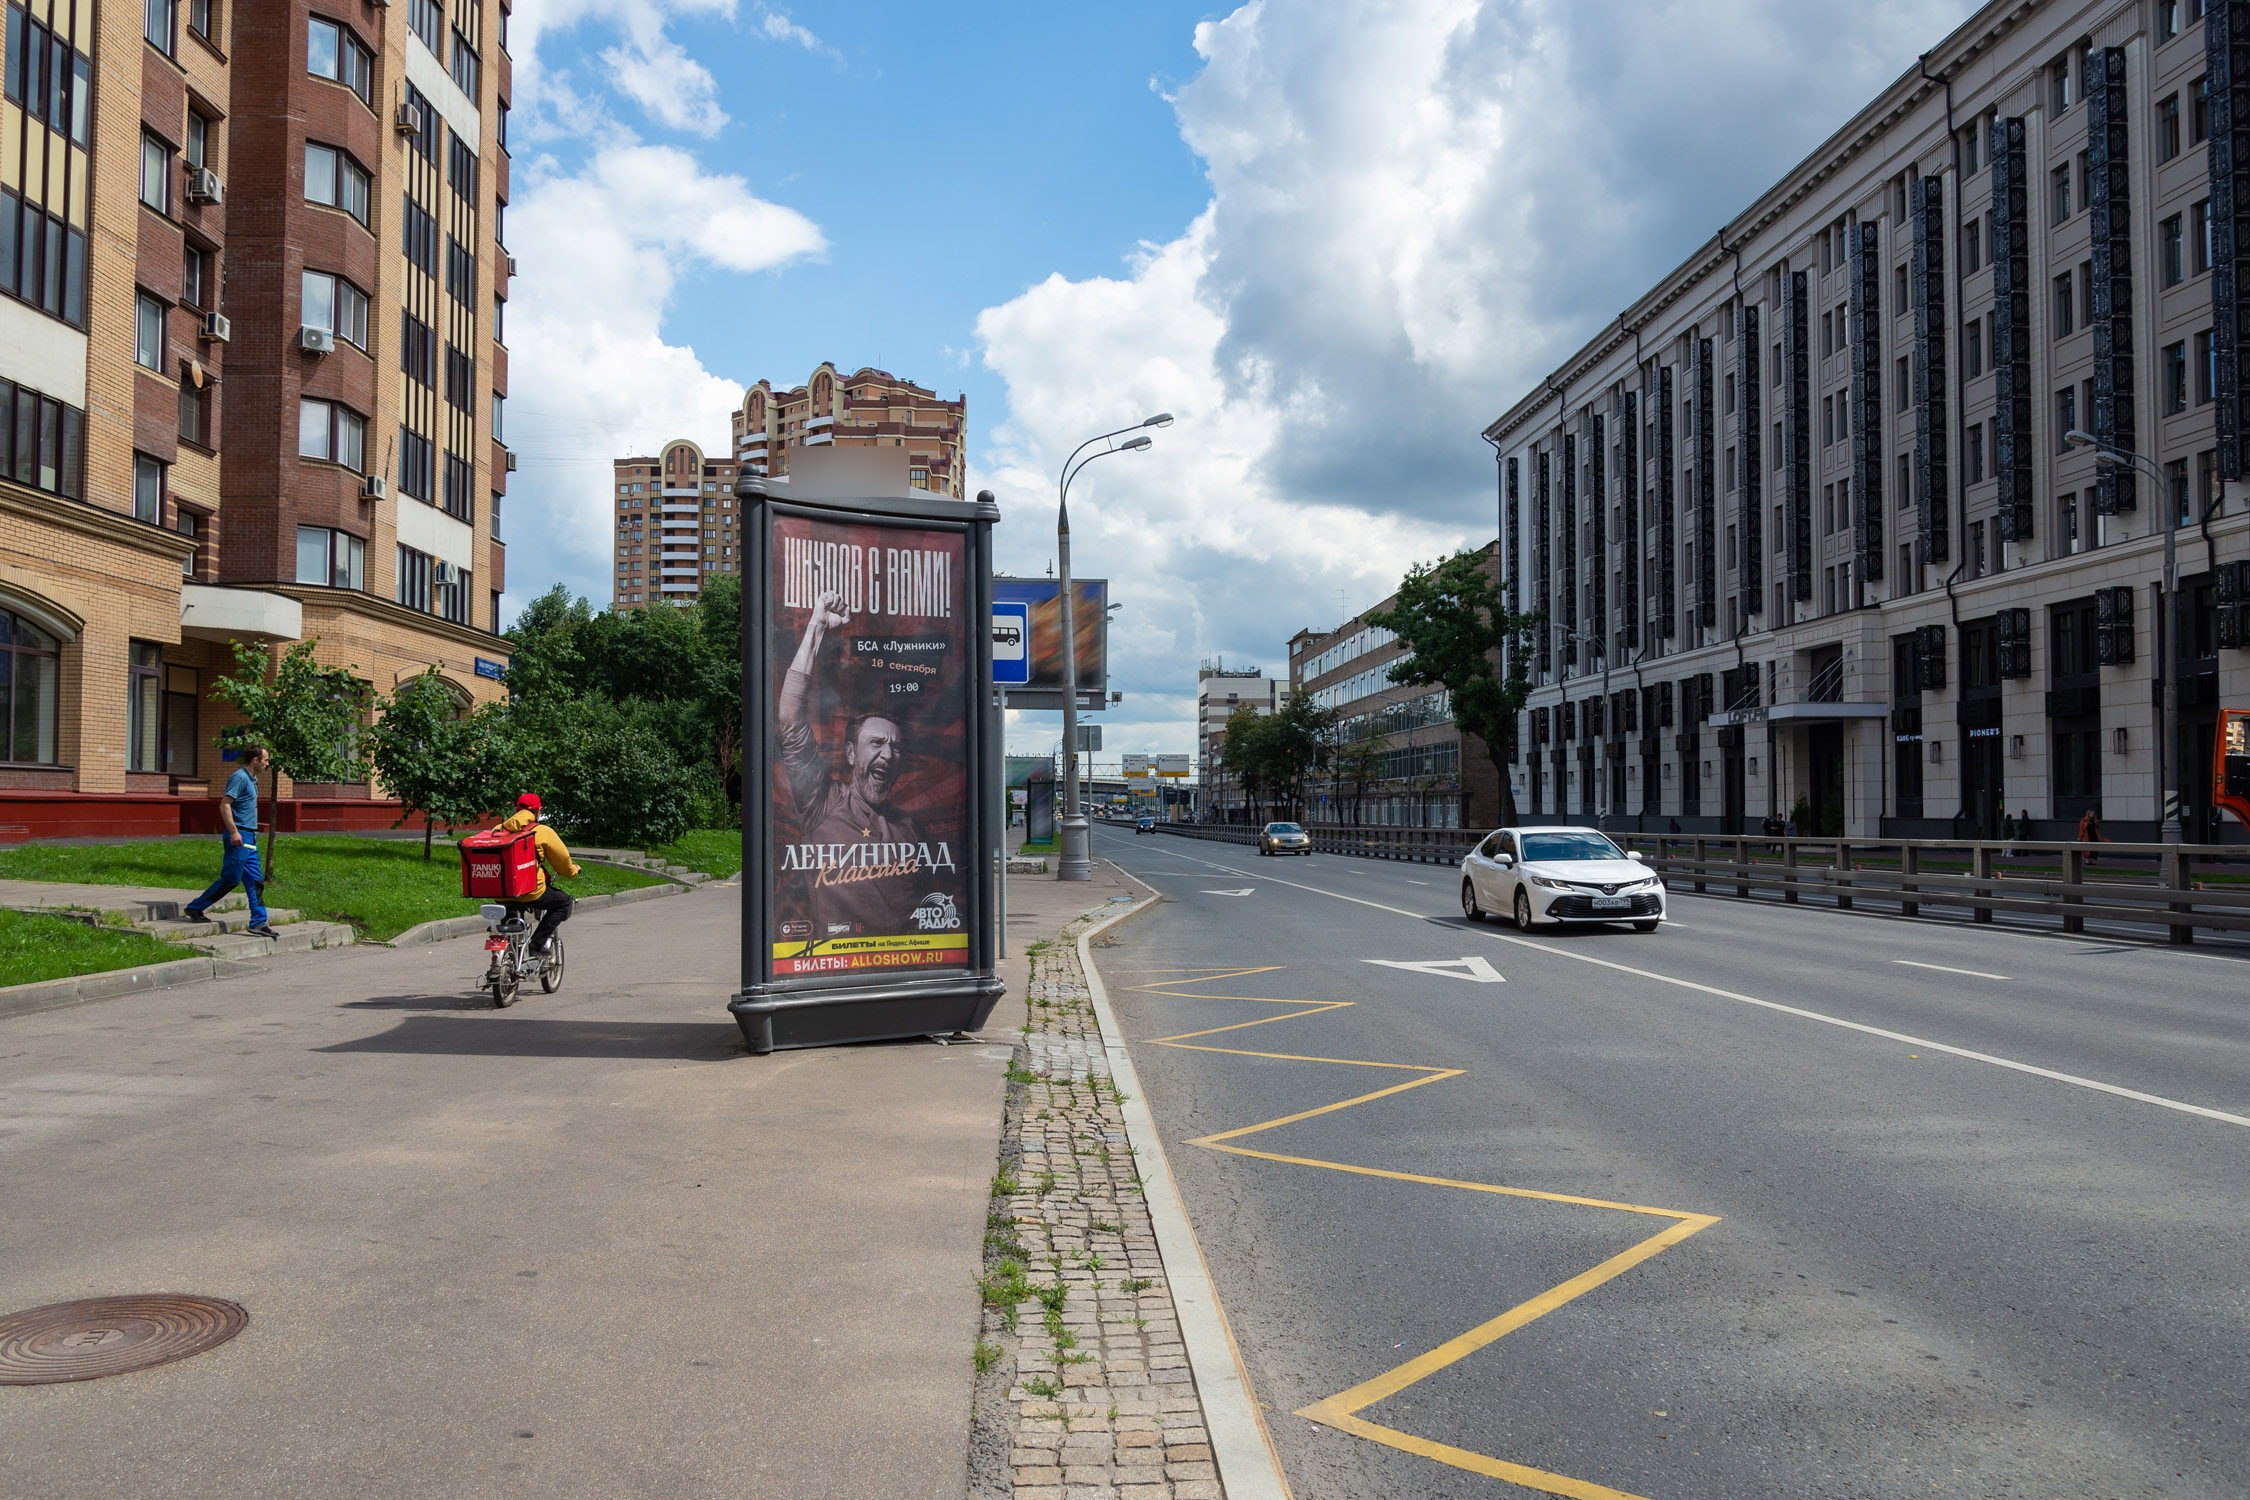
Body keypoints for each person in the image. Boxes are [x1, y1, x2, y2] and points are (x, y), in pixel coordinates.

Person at [779, 589, 943, 940]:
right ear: (852, 754)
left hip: (903, 963)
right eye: (877, 743)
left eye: (896, 748)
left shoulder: (910, 827)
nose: (888, 754)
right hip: (838, 959)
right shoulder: (821, 801)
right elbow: (790, 721)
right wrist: (818, 627)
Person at [185, 745, 278, 939]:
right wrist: (234, 831)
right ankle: (195, 908)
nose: (267, 764)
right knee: (231, 878)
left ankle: (259, 922)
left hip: (250, 837)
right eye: (265, 760)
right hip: (239, 836)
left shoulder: (252, 779)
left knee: (255, 880)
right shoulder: (240, 777)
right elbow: (225, 804)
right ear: (255, 760)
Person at [495, 793, 580, 957]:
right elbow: (563, 862)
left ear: (516, 810)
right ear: (538, 811)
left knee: (509, 908)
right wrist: (574, 870)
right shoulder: (542, 831)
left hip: (501, 892)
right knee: (563, 902)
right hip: (531, 892)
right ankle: (537, 944)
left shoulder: (497, 830)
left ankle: (509, 954)